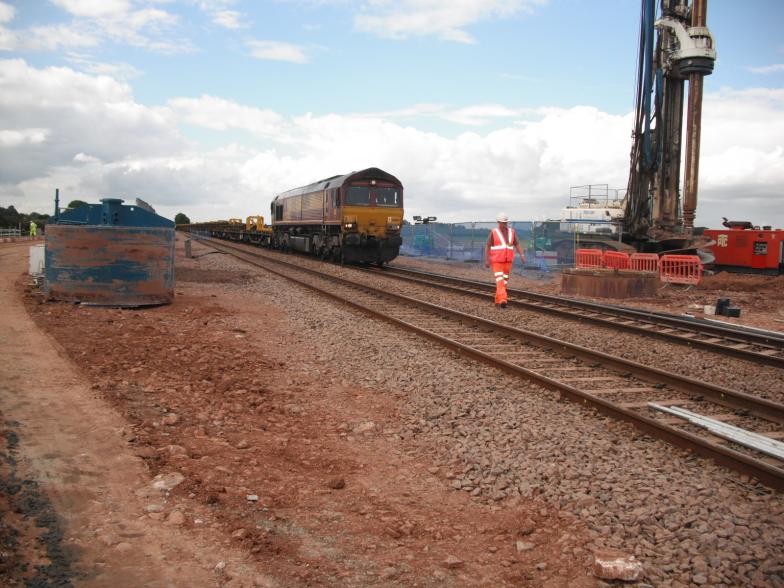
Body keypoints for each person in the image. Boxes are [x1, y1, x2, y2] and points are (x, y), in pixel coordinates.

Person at [484, 213, 525, 308]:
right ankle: (503, 300)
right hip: (497, 261)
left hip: (508, 261)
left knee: (504, 282)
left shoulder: (512, 232)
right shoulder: (494, 232)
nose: (504, 224)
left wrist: (522, 255)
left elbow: (517, 244)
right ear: (498, 222)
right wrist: (487, 260)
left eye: (505, 222)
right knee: (500, 280)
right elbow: (487, 246)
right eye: (502, 223)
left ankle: (498, 300)